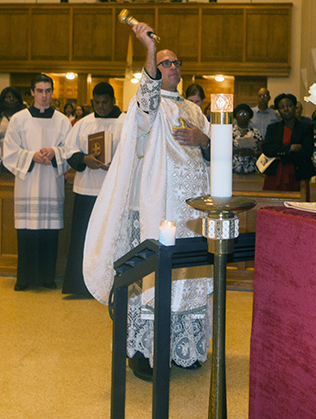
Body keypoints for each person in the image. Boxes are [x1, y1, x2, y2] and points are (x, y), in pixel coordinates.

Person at [83, 21, 212, 381]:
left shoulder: (193, 110)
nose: (173, 68)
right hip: (158, 210)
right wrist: (150, 52)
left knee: (188, 279)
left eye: (176, 63)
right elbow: (145, 106)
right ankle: (143, 352)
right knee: (154, 281)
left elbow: (215, 156)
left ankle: (183, 350)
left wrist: (205, 139)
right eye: (166, 63)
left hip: (192, 213)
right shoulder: (148, 107)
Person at [3, 74, 71, 291]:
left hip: (51, 183)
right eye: (40, 91)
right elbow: (10, 152)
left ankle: (46, 278)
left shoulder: (62, 121)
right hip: (28, 183)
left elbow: (70, 150)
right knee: (27, 231)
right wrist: (32, 156)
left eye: (48, 91)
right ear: (32, 92)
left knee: (49, 232)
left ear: (52, 92)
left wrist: (54, 152)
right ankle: (24, 278)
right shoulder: (19, 119)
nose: (44, 96)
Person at [61, 82, 125, 296]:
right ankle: (80, 286)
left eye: (105, 102)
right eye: (97, 102)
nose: (101, 107)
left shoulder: (125, 121)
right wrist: (84, 159)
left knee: (111, 239)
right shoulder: (83, 123)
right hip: (87, 189)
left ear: (113, 101)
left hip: (113, 191)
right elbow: (69, 150)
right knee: (84, 238)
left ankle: (113, 287)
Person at [262, 93, 315, 191]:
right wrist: (289, 148)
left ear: (295, 107)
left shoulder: (306, 128)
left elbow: (307, 152)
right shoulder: (273, 128)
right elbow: (267, 149)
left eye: (289, 106)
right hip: (275, 173)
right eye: (282, 107)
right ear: (278, 111)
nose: (286, 109)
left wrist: (280, 154)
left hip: (298, 172)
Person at [0, 86, 26, 150]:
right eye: (8, 97)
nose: (11, 99)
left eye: (14, 97)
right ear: (2, 101)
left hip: (19, 153)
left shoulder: (24, 115)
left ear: (19, 101)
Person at [232, 103, 263, 174]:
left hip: (252, 169)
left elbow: (262, 152)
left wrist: (253, 152)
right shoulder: (230, 132)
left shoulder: (256, 132)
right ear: (235, 117)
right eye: (240, 114)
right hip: (234, 169)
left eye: (245, 114)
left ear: (250, 116)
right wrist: (235, 151)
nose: (242, 116)